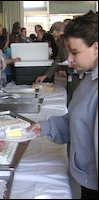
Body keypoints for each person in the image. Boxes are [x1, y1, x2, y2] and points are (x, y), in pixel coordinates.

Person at [27, 11, 98, 199]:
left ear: (96, 48)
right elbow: (77, 120)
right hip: (88, 179)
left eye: (75, 53)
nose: (70, 60)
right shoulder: (90, 79)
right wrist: (46, 126)